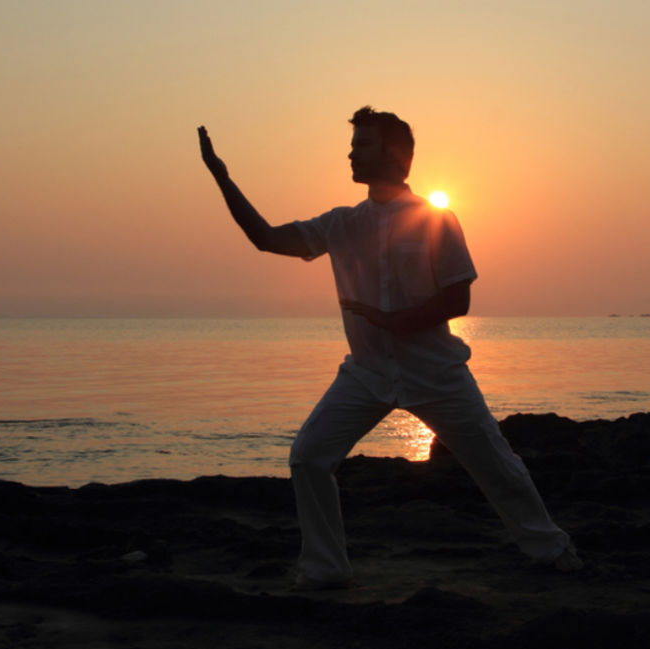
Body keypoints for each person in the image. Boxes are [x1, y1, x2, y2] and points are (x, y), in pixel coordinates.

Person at [198, 107, 582, 589]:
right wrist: (223, 178)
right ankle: (325, 567)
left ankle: (551, 548)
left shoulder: (436, 219)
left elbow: (458, 297)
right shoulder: (340, 224)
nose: (351, 153)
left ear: (395, 154)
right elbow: (266, 238)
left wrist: (399, 321)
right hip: (366, 374)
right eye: (353, 144)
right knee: (308, 457)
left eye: (362, 144)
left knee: (496, 465)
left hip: (436, 372)